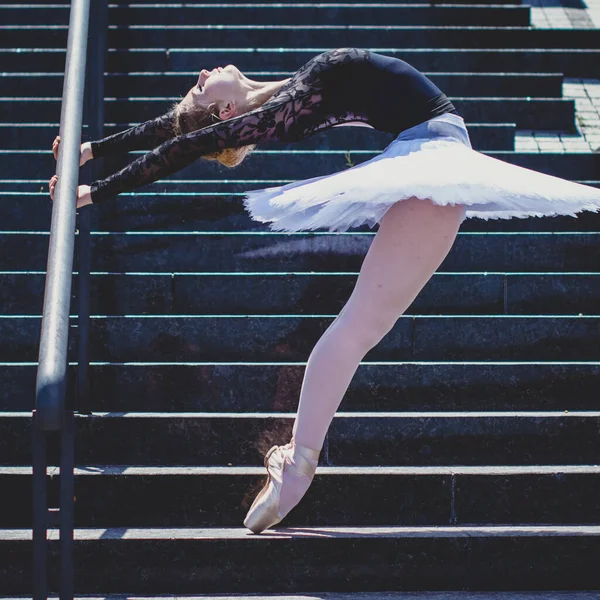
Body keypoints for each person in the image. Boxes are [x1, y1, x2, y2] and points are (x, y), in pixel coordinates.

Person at [49, 47, 600, 534]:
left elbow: (180, 131)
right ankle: (298, 463)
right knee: (357, 328)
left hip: (433, 160)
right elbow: (190, 140)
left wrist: (92, 150)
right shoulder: (279, 112)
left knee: (359, 327)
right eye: (198, 86)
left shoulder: (287, 95)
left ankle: (297, 464)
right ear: (225, 111)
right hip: (433, 162)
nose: (201, 71)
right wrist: (95, 192)